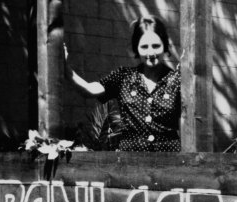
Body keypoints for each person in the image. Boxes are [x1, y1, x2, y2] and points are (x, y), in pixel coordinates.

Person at [65, 16, 181, 152]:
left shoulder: (178, 80)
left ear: (165, 46)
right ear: (136, 49)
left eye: (156, 46)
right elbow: (89, 90)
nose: (150, 52)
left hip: (169, 161)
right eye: (144, 47)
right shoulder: (123, 76)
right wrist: (66, 69)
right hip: (130, 162)